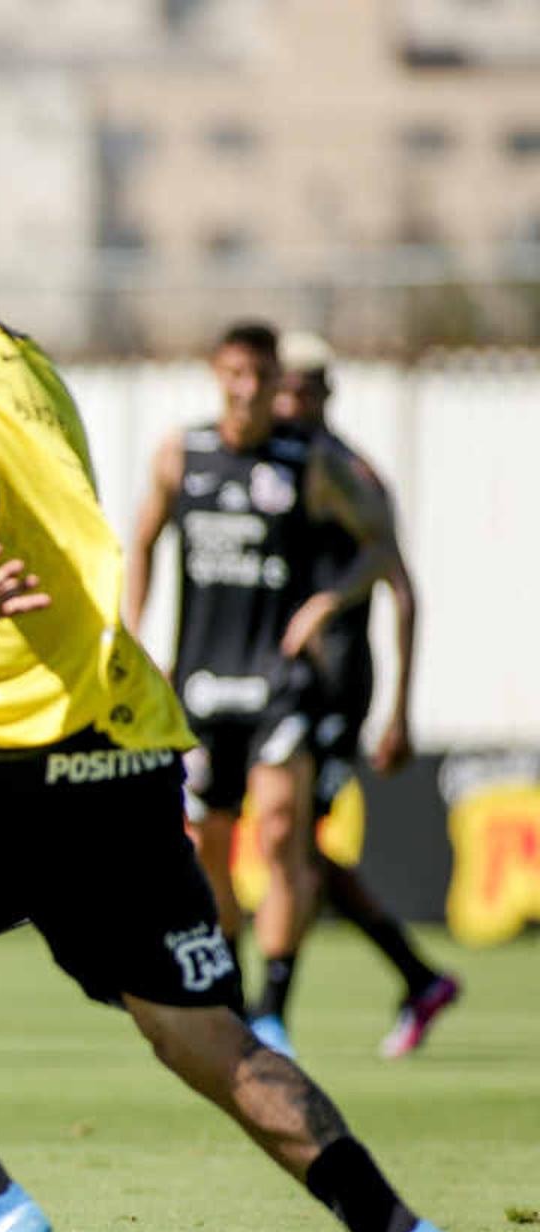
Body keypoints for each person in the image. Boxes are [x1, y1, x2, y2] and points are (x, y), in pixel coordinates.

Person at [0, 150, 468, 1232]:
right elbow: (50, 554)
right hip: (123, 736)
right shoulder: (30, 366)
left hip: (7, 751)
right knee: (198, 1027)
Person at [127, 320, 394, 1059]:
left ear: (277, 382)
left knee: (280, 834)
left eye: (260, 376)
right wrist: (132, 633)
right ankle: (235, 997)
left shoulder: (307, 463)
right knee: (212, 850)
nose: (247, 389)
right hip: (202, 688)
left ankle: (275, 1008)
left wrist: (327, 601)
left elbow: (380, 547)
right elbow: (141, 540)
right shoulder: (184, 453)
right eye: (235, 374)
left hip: (282, 686)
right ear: (218, 374)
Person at [274, 334, 459, 1057]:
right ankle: (416, 977)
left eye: (303, 389)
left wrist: (400, 711)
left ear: (326, 393)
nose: (290, 402)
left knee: (295, 848)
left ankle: (270, 1013)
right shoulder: (272, 470)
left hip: (338, 684)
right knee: (298, 848)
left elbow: (402, 585)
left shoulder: (351, 475)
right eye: (281, 388)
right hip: (284, 683)